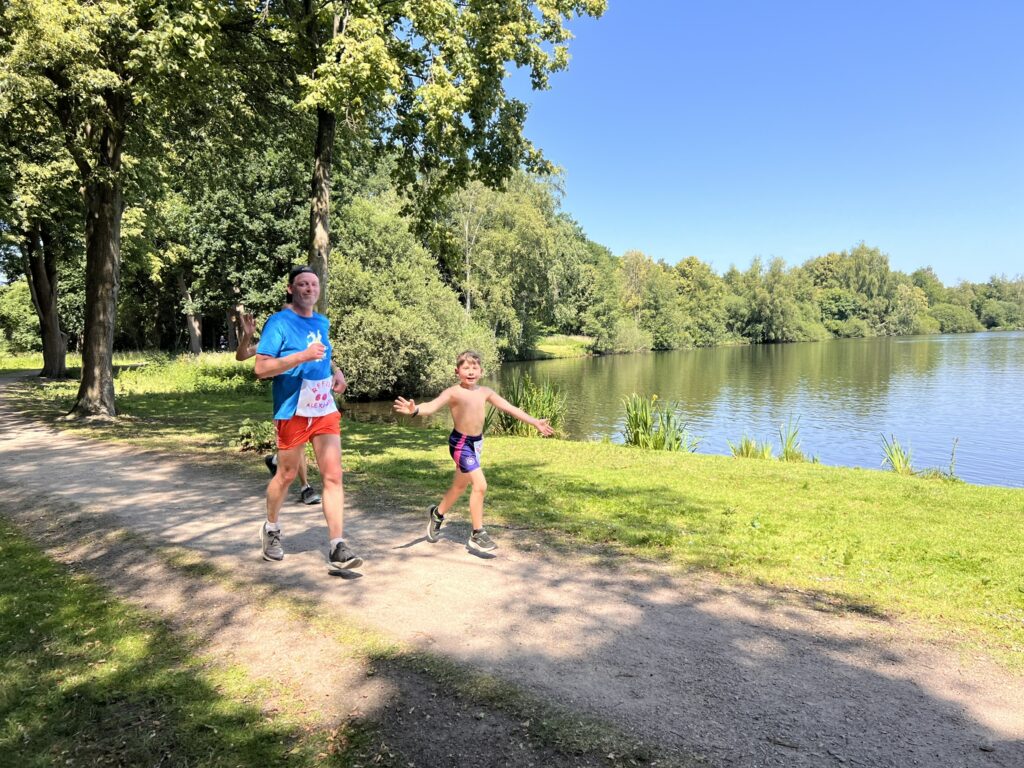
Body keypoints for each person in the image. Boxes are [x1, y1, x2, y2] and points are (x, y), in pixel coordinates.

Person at [253, 265, 361, 570]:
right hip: (292, 409)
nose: (309, 289)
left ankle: (337, 546)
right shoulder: (279, 322)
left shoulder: (321, 321)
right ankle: (271, 528)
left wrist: (336, 371)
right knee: (287, 474)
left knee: (333, 475)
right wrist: (302, 356)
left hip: (323, 406)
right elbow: (261, 368)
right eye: (302, 284)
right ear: (291, 289)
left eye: (313, 284)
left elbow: (324, 354)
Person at [392, 350, 553, 553]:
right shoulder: (453, 392)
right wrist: (415, 410)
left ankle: (437, 514)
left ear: (481, 371)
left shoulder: (485, 392)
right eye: (466, 368)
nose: (470, 371)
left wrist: (534, 422)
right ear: (457, 371)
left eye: (474, 368)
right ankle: (477, 534)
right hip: (460, 444)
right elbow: (431, 406)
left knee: (459, 486)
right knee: (480, 484)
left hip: (476, 444)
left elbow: (510, 408)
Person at [236, 311, 321, 505]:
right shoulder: (274, 341)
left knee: (298, 445)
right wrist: (247, 336)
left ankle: (275, 460)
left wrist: (336, 371)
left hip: (310, 398)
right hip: (285, 400)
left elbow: (324, 358)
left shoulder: (309, 339)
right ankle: (306, 487)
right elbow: (241, 356)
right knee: (297, 445)